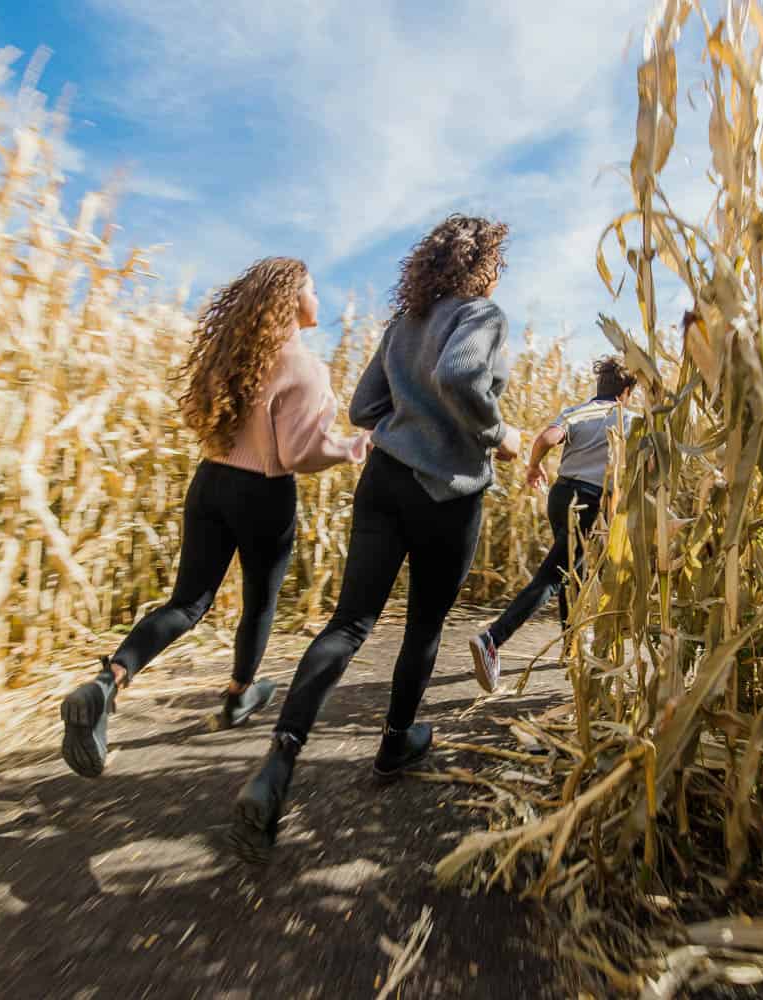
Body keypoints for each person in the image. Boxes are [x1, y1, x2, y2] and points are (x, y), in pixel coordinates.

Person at [230, 214, 522, 861]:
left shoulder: (403, 323)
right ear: (483, 264)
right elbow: (460, 377)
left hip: (385, 481)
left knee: (350, 622)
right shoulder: (481, 315)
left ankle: (279, 762)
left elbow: (364, 409)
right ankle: (395, 744)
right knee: (423, 626)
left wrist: (407, 422)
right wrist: (498, 435)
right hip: (448, 493)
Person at [60, 257, 369, 779]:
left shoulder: (237, 358)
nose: (322, 300)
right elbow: (298, 455)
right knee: (259, 601)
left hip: (210, 482)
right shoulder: (305, 368)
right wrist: (355, 446)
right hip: (264, 494)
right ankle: (238, 695)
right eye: (314, 290)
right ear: (293, 299)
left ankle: (108, 681)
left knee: (187, 602)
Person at [468, 356, 638, 690]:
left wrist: (534, 467)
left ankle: (571, 645)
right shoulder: (629, 419)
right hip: (590, 505)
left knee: (573, 571)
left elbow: (546, 439)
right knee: (554, 576)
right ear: (627, 391)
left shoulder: (577, 412)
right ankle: (492, 639)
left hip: (561, 496)